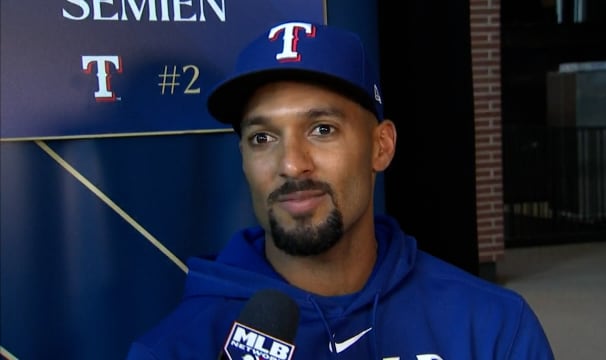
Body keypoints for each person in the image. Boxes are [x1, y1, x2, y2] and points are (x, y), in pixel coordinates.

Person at [126, 20, 555, 359]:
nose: (292, 163)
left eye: (322, 129)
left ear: (381, 147)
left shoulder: (493, 327)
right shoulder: (173, 349)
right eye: (263, 138)